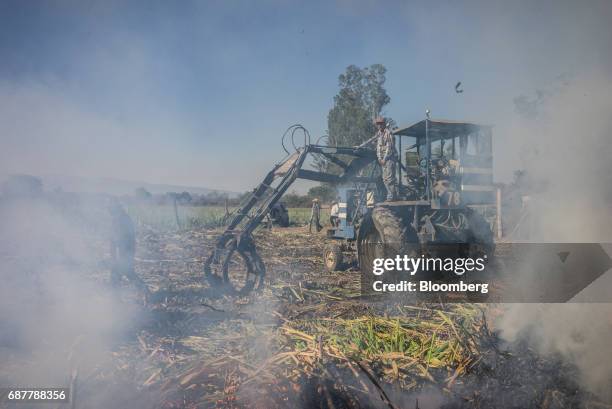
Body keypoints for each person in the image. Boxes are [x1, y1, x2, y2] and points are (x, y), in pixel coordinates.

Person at [108, 200, 150, 302]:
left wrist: (117, 255)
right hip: (124, 252)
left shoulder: (122, 219)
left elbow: (119, 239)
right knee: (125, 273)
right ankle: (144, 290)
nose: (110, 212)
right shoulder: (118, 218)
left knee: (118, 274)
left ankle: (116, 299)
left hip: (125, 252)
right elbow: (113, 239)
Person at [374, 116, 398, 201]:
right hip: (383, 160)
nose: (379, 126)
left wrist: (384, 158)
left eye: (381, 124)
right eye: (378, 124)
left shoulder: (388, 133)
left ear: (384, 124)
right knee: (384, 179)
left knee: (390, 178)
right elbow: (378, 148)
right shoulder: (379, 135)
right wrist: (379, 158)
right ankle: (390, 194)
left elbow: (389, 147)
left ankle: (392, 195)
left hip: (390, 158)